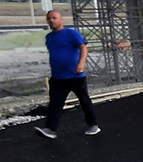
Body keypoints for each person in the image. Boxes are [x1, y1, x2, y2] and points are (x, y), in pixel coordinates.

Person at [36, 10, 99, 138]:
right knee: (55, 103)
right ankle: (50, 129)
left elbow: (83, 47)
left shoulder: (71, 33)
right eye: (49, 18)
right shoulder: (49, 37)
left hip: (75, 76)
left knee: (84, 101)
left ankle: (93, 125)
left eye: (54, 18)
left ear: (61, 19)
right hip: (58, 77)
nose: (51, 20)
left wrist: (81, 64)